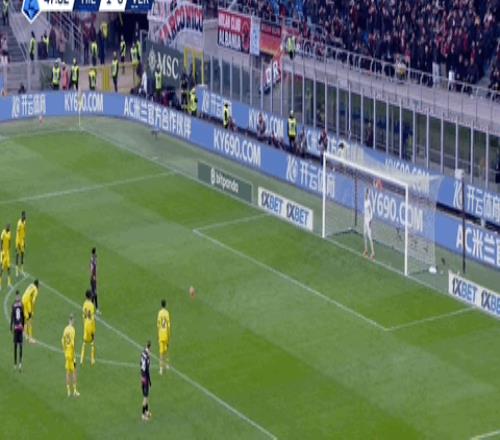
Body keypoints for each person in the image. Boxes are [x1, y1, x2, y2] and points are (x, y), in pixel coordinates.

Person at [62, 314, 79, 397]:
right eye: (73, 320)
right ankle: (75, 391)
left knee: (68, 372)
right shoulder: (72, 330)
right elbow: (72, 343)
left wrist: (65, 350)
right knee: (74, 372)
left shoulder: (65, 329)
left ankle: (68, 391)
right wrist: (74, 352)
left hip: (67, 354)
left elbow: (62, 341)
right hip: (71, 354)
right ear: (72, 320)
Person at [80, 289, 96, 366]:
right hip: (90, 323)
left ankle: (81, 359)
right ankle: (92, 360)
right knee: (92, 341)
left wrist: (84, 322)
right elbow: (92, 317)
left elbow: (83, 315)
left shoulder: (84, 304)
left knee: (84, 342)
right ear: (90, 296)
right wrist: (93, 329)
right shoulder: (92, 305)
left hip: (85, 323)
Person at [10, 290, 24, 371]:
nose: (18, 297)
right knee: (15, 346)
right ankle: (15, 363)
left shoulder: (18, 305)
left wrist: (23, 325)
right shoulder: (18, 305)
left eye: (18, 295)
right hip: (16, 328)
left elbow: (23, 316)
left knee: (20, 345)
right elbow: (12, 316)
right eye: (17, 296)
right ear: (16, 296)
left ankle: (20, 363)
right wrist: (11, 326)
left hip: (19, 328)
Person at [157, 299, 171, 375]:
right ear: (165, 305)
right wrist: (169, 334)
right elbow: (168, 325)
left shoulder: (159, 313)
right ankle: (167, 365)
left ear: (161, 305)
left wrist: (158, 334)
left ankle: (161, 369)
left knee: (161, 352)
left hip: (161, 334)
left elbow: (158, 324)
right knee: (166, 350)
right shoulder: (167, 313)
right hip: (166, 333)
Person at [140, 341, 152, 421]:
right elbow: (147, 370)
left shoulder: (143, 353)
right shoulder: (147, 357)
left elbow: (140, 364)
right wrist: (149, 380)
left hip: (142, 377)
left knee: (146, 395)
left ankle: (147, 411)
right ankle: (143, 414)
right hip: (145, 377)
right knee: (145, 397)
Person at [363, 188, 375, 259]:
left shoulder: (369, 203)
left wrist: (370, 220)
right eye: (366, 192)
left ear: (368, 194)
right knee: (364, 234)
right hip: (365, 219)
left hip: (368, 220)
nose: (366, 194)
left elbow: (371, 212)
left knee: (369, 236)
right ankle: (366, 250)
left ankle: (373, 253)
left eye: (367, 193)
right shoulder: (365, 201)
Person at [0, 223, 12, 289]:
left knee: (8, 268)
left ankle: (9, 283)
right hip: (3, 253)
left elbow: (9, 240)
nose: (10, 228)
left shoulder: (9, 233)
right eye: (9, 227)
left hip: (7, 253)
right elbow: (1, 241)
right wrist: (2, 251)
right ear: (6, 227)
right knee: (1, 269)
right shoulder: (3, 232)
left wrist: (9, 247)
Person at [15, 210, 26, 277]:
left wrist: (24, 241)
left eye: (25, 215)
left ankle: (22, 270)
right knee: (17, 255)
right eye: (24, 215)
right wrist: (18, 243)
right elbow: (18, 233)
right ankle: (16, 271)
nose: (25, 216)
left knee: (22, 255)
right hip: (18, 240)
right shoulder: (19, 223)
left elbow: (24, 231)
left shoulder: (24, 222)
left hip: (22, 241)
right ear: (22, 216)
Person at [90, 247, 99, 313]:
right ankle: (94, 308)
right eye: (96, 251)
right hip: (93, 279)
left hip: (94, 278)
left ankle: (95, 308)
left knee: (95, 293)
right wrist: (94, 277)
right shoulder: (92, 260)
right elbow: (92, 269)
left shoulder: (94, 258)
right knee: (94, 293)